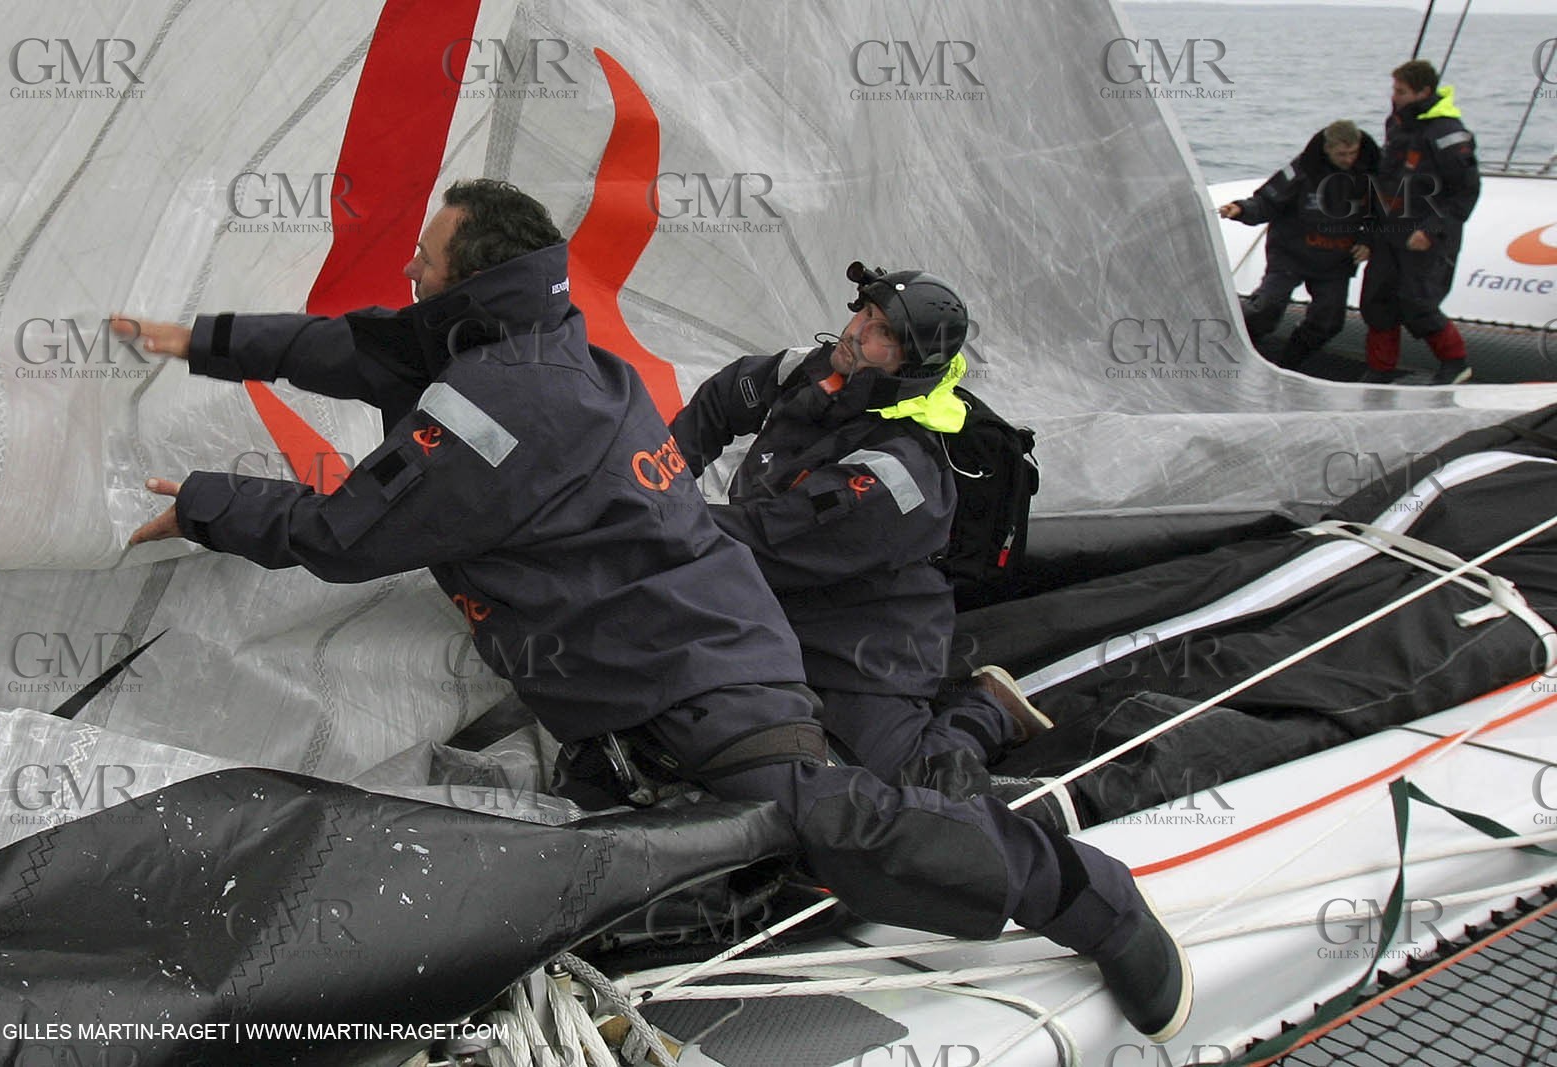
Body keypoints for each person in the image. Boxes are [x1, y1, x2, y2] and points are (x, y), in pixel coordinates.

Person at [118, 178, 1191, 1041]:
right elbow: (351, 347)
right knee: (642, 854)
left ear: (471, 280)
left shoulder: (506, 407)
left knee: (846, 818)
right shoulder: (517, 345)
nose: (410, 267)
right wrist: (201, 340)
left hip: (768, 659)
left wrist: (209, 504)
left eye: (426, 258)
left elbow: (351, 533)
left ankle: (1084, 889)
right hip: (650, 666)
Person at [668, 263, 1054, 809]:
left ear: (911, 364)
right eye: (866, 315)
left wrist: (649, 516)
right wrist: (663, 472)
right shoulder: (820, 368)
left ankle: (986, 710)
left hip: (864, 646)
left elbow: (767, 539)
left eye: (883, 334)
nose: (857, 333)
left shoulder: (899, 474)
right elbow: (729, 395)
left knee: (907, 792)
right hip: (782, 599)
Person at [1218, 120, 1379, 371]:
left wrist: (1369, 241)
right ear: (1328, 149)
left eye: (1352, 153)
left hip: (1335, 261)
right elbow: (1267, 201)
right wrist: (1240, 209)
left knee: (1329, 321)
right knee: (1266, 307)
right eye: (1341, 154)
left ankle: (1288, 365)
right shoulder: (1304, 168)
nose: (1348, 159)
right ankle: (1234, 349)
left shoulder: (1372, 171)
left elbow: (1385, 215)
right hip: (1291, 254)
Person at [1359, 59, 1480, 385]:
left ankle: (1456, 363)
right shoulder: (1398, 123)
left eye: (1401, 91)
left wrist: (1432, 229)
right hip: (1392, 227)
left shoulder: (1448, 134)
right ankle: (1380, 370)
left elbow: (1466, 192)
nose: (1394, 96)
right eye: (1394, 90)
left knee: (1417, 300)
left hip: (1426, 230)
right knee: (1377, 299)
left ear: (1424, 91)